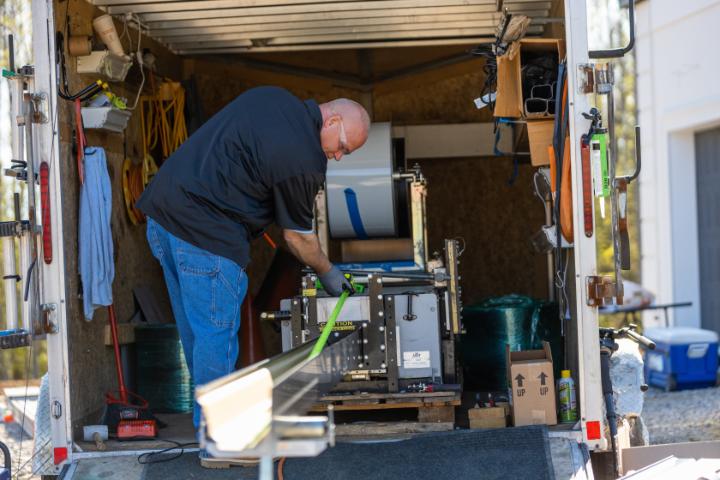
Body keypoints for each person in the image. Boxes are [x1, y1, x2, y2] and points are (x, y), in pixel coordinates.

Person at [137, 86, 370, 466]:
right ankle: (219, 440)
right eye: (343, 145)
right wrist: (328, 271)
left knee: (199, 337)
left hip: (162, 221)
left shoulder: (272, 98)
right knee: (216, 336)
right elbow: (297, 237)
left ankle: (209, 432)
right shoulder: (305, 158)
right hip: (204, 236)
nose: (339, 156)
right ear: (332, 120)